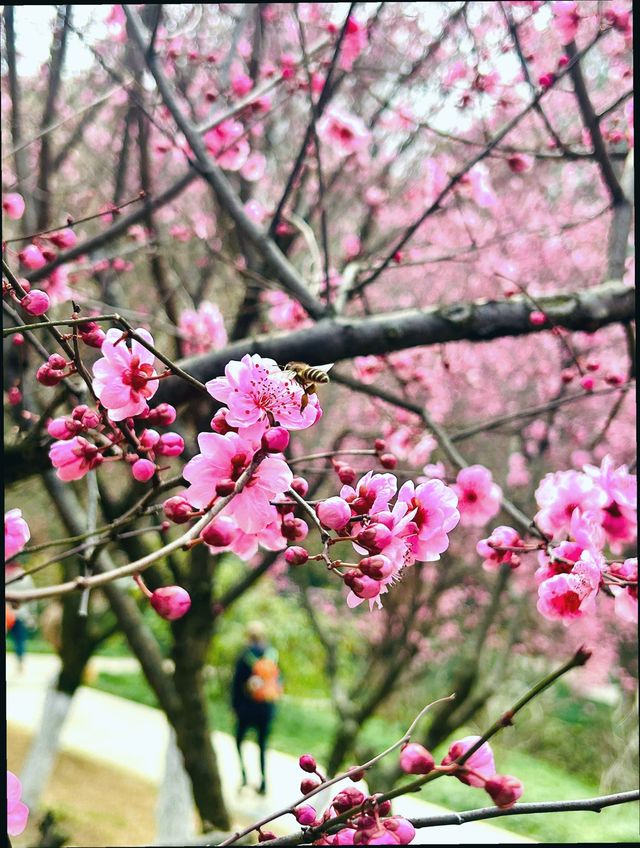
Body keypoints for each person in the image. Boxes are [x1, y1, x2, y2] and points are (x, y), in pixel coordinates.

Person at [231, 621, 282, 795]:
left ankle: (244, 776)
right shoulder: (272, 655)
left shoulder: (244, 655)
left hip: (246, 708)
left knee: (239, 741)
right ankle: (263, 782)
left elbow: (236, 684)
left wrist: (234, 707)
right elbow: (277, 681)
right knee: (262, 745)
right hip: (266, 708)